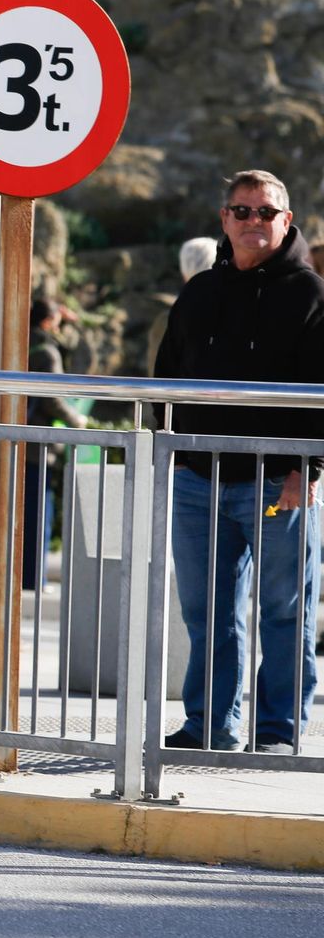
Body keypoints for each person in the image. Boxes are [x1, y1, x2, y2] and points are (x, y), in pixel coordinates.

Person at [154, 169, 323, 753]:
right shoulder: (200, 290)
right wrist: (172, 449)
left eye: (266, 212)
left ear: (287, 220)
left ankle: (278, 730)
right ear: (224, 220)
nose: (254, 222)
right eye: (242, 211)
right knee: (208, 613)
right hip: (200, 478)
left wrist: (309, 470)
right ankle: (208, 724)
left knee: (284, 610)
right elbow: (167, 375)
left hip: (280, 482)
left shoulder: (310, 294)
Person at [23, 297, 86, 591]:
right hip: (40, 445)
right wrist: (77, 420)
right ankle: (35, 577)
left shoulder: (20, 342)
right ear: (49, 322)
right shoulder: (47, 352)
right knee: (40, 513)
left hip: (22, 440)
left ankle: (27, 574)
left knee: (26, 511)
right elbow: (53, 397)